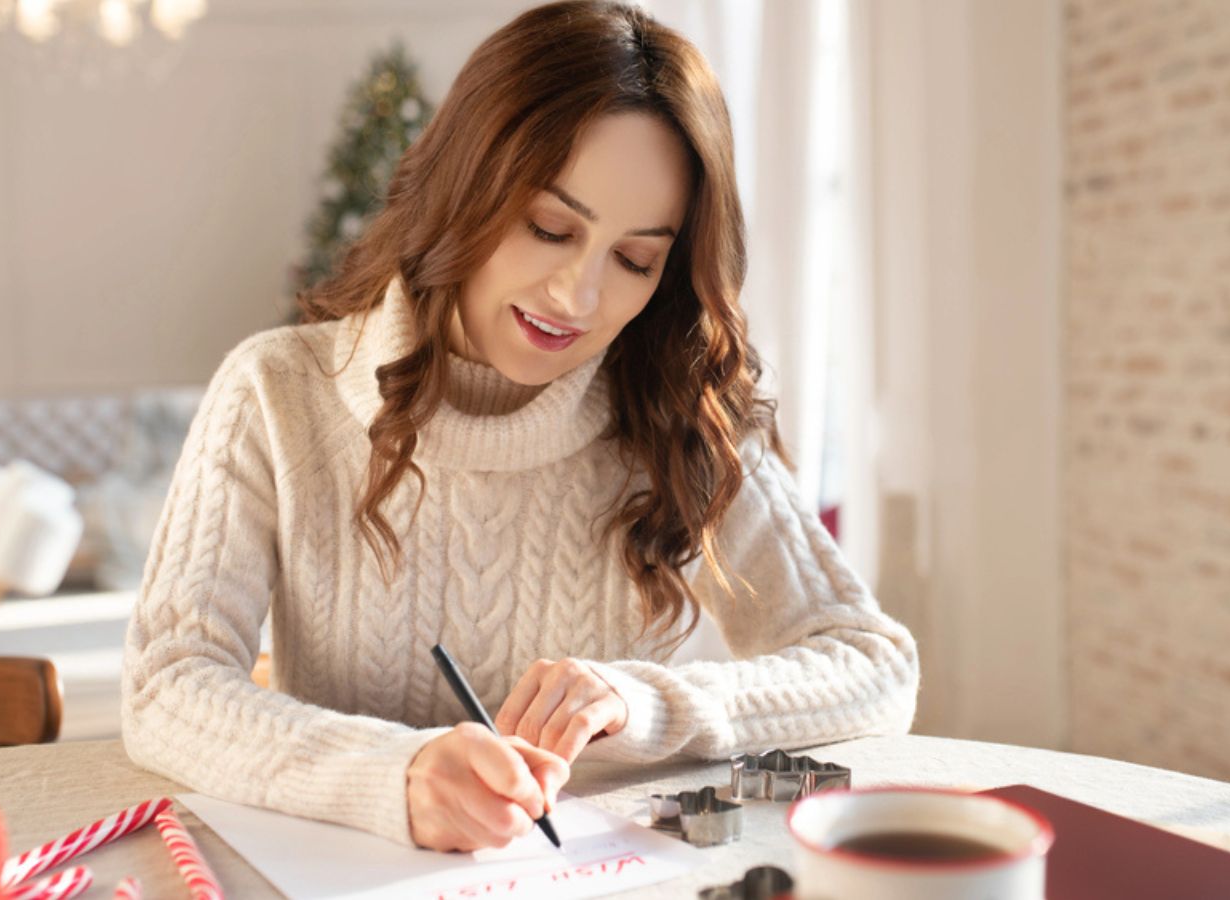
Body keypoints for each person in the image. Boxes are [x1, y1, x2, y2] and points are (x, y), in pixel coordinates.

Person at [121, 0, 919, 853]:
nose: (577, 297)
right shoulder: (276, 394)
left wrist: (645, 702)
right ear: (467, 183)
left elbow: (873, 668)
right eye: (549, 227)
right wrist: (394, 774)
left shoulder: (678, 409)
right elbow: (168, 685)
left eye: (635, 259)